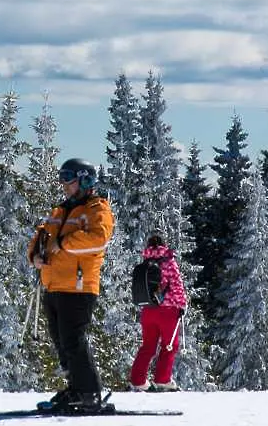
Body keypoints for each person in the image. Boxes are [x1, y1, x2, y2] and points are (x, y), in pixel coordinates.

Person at [28, 158, 115, 411]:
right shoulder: (59, 210)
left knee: (73, 340)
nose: (64, 184)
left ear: (85, 180)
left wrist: (64, 243)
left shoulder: (96, 209)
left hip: (78, 287)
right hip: (54, 284)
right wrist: (34, 256)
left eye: (69, 179)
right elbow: (41, 236)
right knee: (62, 342)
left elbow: (99, 239)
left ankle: (89, 393)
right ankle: (75, 389)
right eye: (62, 178)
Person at [129, 232, 188, 392]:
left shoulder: (146, 262)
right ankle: (162, 380)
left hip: (148, 310)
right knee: (170, 345)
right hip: (167, 311)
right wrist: (182, 305)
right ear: (164, 245)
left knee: (148, 346)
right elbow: (177, 285)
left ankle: (137, 381)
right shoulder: (168, 261)